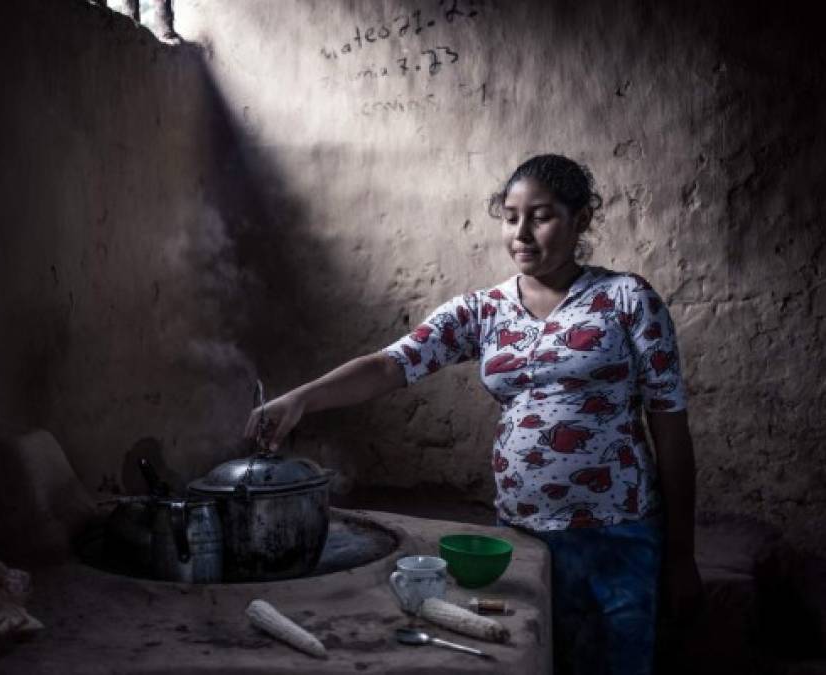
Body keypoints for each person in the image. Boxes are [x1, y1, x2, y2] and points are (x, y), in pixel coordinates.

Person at [243, 154, 703, 675]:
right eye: (510, 217)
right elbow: (390, 365)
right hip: (522, 539)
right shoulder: (482, 311)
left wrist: (681, 555)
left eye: (542, 216)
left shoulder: (627, 300)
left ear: (581, 221)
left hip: (616, 536)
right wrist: (300, 398)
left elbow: (671, 428)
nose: (522, 233)